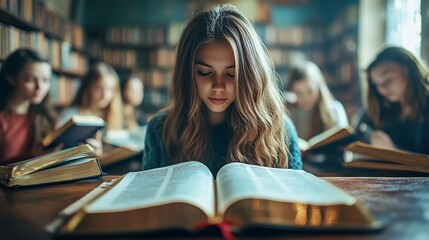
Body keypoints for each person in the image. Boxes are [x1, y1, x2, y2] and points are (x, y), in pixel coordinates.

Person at [143, 4, 302, 175]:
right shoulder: (159, 130)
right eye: (204, 72)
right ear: (187, 74)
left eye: (232, 74)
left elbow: (294, 196)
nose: (218, 86)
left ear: (251, 77)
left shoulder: (280, 131)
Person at [356, 46, 429, 154]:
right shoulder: (379, 107)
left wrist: (395, 151)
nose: (382, 89)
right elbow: (357, 135)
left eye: (387, 80)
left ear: (407, 69)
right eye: (376, 85)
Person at [0, 49, 60, 165]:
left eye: (45, 80)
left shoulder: (47, 116)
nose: (40, 87)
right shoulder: (3, 119)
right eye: (31, 79)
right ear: (11, 79)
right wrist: (33, 157)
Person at [59, 62, 124, 155]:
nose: (105, 95)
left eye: (110, 89)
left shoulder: (113, 116)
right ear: (88, 88)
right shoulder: (70, 115)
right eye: (98, 88)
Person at [286, 60, 348, 141]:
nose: (306, 98)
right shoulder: (288, 110)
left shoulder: (335, 110)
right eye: (299, 93)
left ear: (319, 88)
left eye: (310, 91)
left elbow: (344, 141)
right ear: (293, 92)